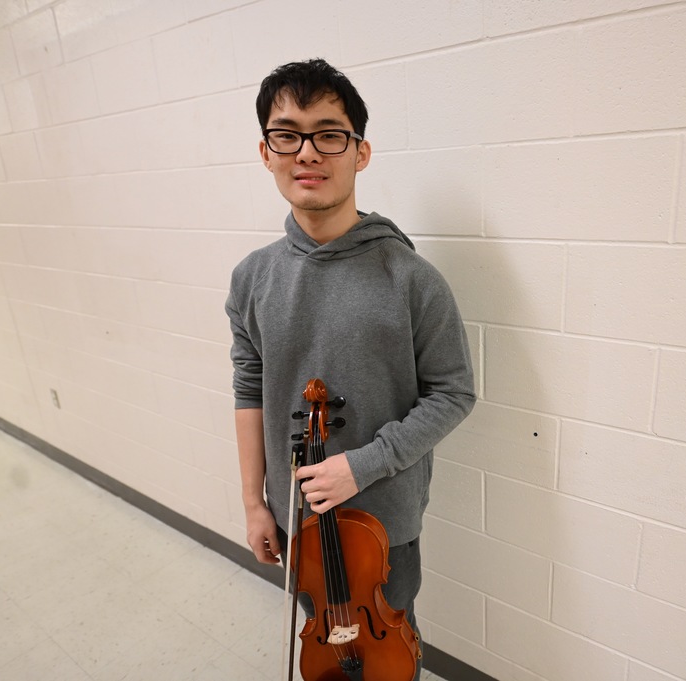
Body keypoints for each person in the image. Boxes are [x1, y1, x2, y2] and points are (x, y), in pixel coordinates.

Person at [225, 59, 476, 680]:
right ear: (266, 151)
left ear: (359, 153)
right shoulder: (253, 277)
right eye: (288, 134)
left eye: (329, 134)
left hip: (383, 526)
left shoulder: (412, 280)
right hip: (298, 519)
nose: (307, 152)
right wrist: (257, 504)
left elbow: (453, 394)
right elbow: (249, 389)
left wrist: (358, 466)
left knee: (388, 647)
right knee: (325, 648)